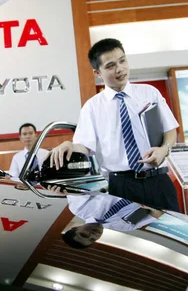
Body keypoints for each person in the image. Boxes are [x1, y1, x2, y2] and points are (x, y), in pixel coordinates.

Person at [49, 38, 180, 211]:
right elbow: (84, 147)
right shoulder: (92, 107)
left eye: (122, 61)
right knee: (129, 236)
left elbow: (170, 131)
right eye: (110, 66)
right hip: (121, 186)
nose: (120, 69)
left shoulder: (149, 93)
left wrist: (164, 150)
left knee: (170, 234)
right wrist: (70, 146)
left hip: (159, 181)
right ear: (97, 73)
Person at [49, 186, 162, 248]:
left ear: (75, 228)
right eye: (92, 239)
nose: (92, 235)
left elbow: (85, 187)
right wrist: (149, 206)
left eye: (84, 234)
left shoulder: (78, 209)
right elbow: (157, 214)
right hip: (154, 188)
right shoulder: (126, 227)